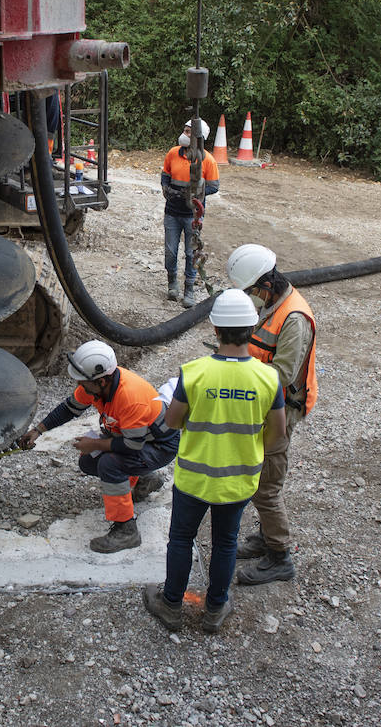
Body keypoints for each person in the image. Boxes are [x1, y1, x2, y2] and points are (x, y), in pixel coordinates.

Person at [141, 289, 286, 635]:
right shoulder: (268, 378)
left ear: (215, 330)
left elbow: (173, 422)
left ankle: (172, 604)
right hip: (238, 481)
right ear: (252, 329)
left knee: (181, 538)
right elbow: (278, 433)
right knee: (225, 542)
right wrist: (250, 449)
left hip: (194, 478)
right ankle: (216, 609)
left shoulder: (193, 373)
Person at [17, 341, 177, 552]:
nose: (79, 387)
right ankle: (145, 480)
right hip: (139, 441)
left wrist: (94, 443)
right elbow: (69, 409)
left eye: (82, 382)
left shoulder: (130, 397)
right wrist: (38, 430)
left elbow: (131, 446)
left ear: (102, 381)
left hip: (159, 447)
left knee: (110, 465)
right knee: (88, 462)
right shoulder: (95, 386)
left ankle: (126, 530)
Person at [224, 244, 317, 585]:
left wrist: (238, 376)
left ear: (267, 283)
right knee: (259, 479)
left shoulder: (294, 318)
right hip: (260, 405)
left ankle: (279, 556)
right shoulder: (272, 305)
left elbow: (283, 375)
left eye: (251, 291)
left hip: (280, 412)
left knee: (266, 487)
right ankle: (265, 538)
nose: (250, 297)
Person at [161, 118, 220, 308]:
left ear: (199, 138)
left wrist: (196, 193)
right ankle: (172, 283)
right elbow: (165, 177)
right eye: (184, 130)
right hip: (172, 212)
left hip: (192, 216)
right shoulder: (172, 154)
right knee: (170, 251)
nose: (184, 135)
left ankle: (189, 289)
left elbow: (214, 186)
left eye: (189, 132)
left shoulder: (208, 161)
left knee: (191, 252)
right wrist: (167, 189)